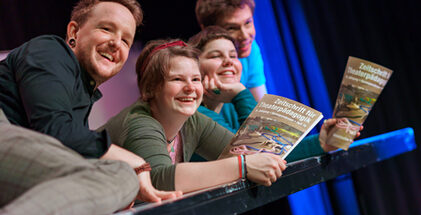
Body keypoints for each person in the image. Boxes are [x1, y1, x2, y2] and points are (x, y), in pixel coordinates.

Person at [0, 0, 180, 215]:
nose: (115, 44)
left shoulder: (79, 95)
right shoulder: (49, 50)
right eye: (106, 28)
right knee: (118, 176)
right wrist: (134, 162)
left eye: (125, 40)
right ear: (73, 32)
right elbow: (57, 132)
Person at [103, 39, 287, 193]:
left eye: (196, 79)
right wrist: (243, 166)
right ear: (150, 89)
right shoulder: (139, 122)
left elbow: (252, 152)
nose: (190, 88)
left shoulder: (193, 120)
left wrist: (241, 94)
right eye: (177, 79)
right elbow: (159, 180)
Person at [189, 26, 359, 162]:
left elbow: (268, 151)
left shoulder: (232, 108)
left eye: (233, 56)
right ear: (194, 67)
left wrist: (322, 142)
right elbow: (250, 154)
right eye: (216, 56)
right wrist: (241, 93)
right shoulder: (193, 114)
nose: (228, 62)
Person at [195, 0, 267, 102]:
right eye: (232, 28)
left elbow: (262, 111)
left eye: (248, 23)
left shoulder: (251, 49)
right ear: (207, 30)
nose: (244, 36)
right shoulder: (194, 65)